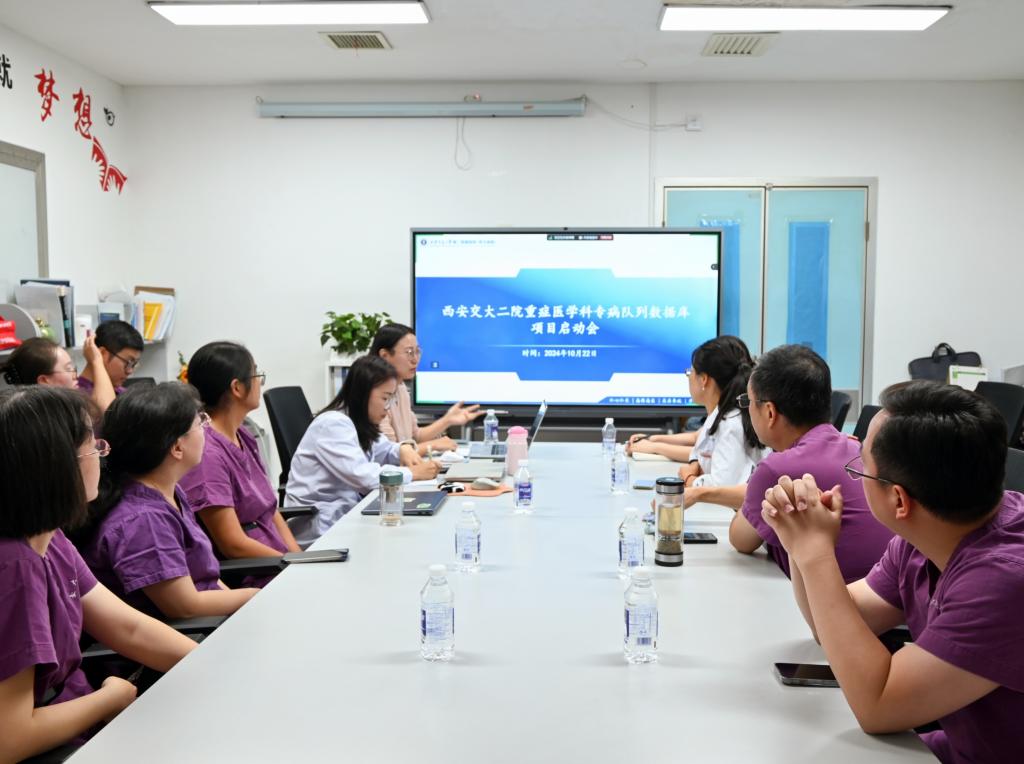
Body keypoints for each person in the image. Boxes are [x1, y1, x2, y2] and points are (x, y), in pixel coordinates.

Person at [760, 381, 1024, 763]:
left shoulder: (1005, 580)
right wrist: (799, 539)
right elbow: (830, 623)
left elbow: (878, 706)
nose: (856, 475)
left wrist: (815, 554)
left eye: (862, 469)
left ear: (899, 499)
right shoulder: (926, 534)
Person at [0, 386, 196, 761]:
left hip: (74, 716)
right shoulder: (13, 567)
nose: (102, 457)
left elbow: (128, 628)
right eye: (93, 447)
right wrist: (110, 698)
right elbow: (10, 739)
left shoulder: (50, 538)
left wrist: (211, 665)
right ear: (57, 468)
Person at [80, 382, 260, 619]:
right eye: (200, 423)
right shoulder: (143, 520)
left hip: (210, 622)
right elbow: (186, 606)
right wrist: (257, 597)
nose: (206, 430)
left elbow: (207, 580)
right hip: (192, 634)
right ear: (177, 447)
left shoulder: (169, 491)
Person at [727, 344, 893, 582]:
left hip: (829, 599)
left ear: (770, 412)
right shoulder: (854, 447)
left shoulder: (778, 468)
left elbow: (740, 540)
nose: (748, 409)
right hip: (879, 596)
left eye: (749, 402)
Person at [286, 354, 441, 542]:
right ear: (363, 394)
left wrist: (402, 449)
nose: (388, 407)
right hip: (322, 529)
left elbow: (384, 449)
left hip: (346, 517)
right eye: (385, 398)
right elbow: (364, 477)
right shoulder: (333, 424)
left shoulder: (358, 421)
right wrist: (412, 473)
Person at [179, 341, 301, 568]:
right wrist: (292, 564)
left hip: (280, 560)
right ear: (237, 387)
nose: (259, 383)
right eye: (256, 375)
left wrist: (300, 557)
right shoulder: (207, 453)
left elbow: (270, 510)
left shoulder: (242, 435)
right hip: (257, 571)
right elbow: (233, 544)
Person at [628, 336, 768, 493]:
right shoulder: (723, 414)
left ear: (704, 380)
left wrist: (689, 479)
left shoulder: (730, 424)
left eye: (691, 372)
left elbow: (720, 488)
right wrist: (695, 463)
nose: (689, 377)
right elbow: (700, 444)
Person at [370, 323, 482, 454]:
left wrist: (448, 420)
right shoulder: (373, 393)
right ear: (385, 355)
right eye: (409, 353)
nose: (415, 360)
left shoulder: (400, 387)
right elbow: (390, 453)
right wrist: (433, 445)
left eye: (417, 352)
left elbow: (416, 436)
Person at [0, 334, 116, 412]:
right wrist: (96, 360)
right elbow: (106, 409)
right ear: (44, 381)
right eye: (68, 368)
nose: (75, 376)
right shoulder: (56, 418)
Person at [76, 320, 144, 397]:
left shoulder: (122, 392)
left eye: (133, 364)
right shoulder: (77, 396)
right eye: (128, 362)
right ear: (101, 353)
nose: (130, 371)